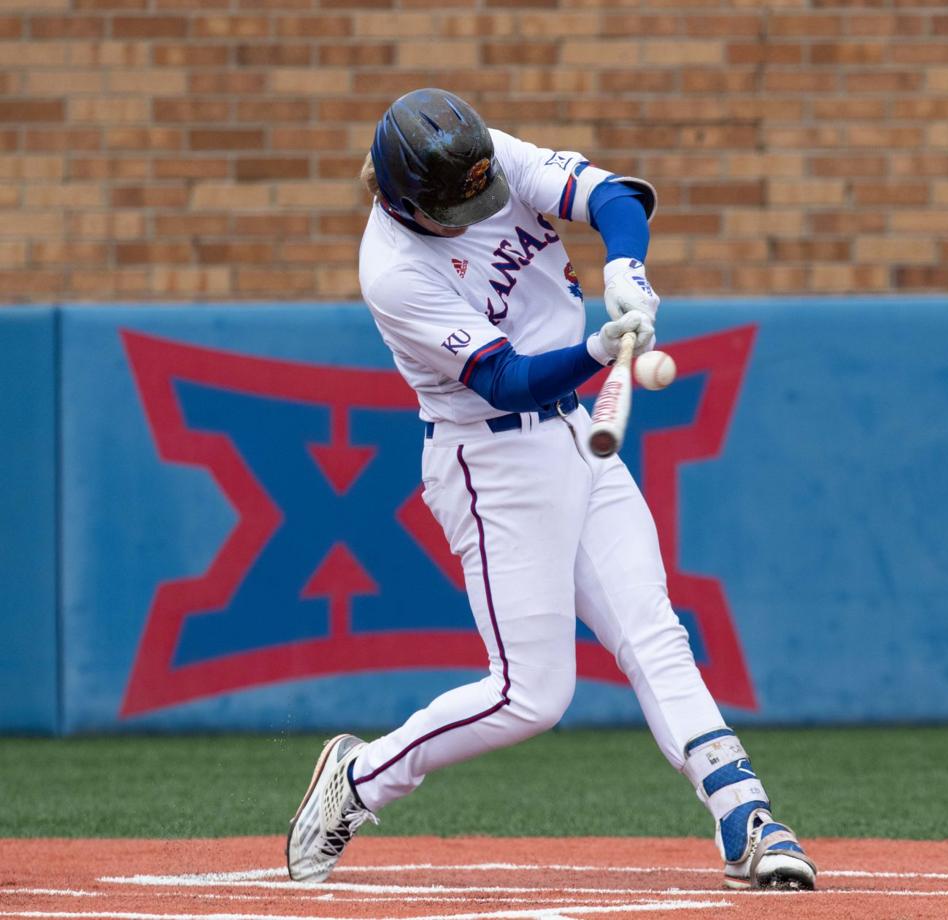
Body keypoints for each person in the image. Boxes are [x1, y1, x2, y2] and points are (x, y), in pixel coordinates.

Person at [285, 88, 817, 892]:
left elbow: (613, 195)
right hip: (489, 463)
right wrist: (602, 346)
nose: (482, 203)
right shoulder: (393, 272)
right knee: (530, 696)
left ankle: (745, 816)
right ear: (410, 202)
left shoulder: (481, 156)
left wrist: (627, 267)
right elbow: (505, 380)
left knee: (653, 632)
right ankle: (359, 781)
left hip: (576, 436)